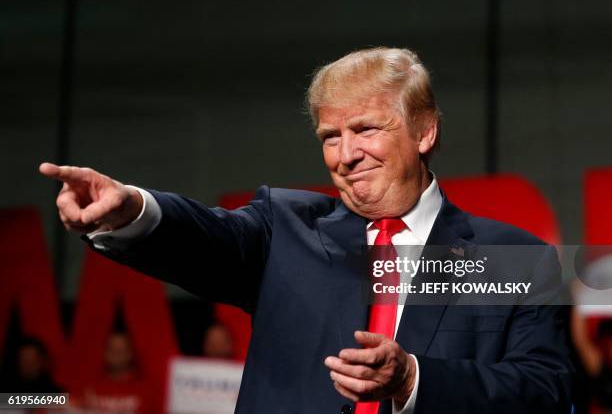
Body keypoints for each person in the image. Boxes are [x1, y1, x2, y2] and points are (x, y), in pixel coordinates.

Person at [40, 47, 572, 414]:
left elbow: (545, 393)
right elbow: (204, 237)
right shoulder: (284, 228)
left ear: (424, 130)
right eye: (330, 136)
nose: (345, 155)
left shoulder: (510, 257)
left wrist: (413, 379)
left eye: (365, 129)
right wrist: (131, 208)